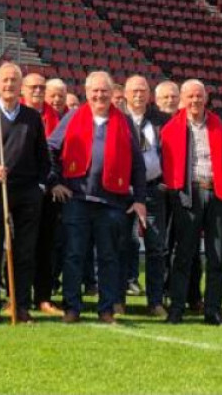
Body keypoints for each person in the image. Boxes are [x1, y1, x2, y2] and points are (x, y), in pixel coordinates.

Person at [48, 72, 147, 324]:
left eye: (104, 91)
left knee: (109, 257)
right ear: (86, 92)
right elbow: (50, 148)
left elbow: (137, 164)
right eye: (95, 91)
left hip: (112, 202)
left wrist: (140, 199)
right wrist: (55, 182)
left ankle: (106, 309)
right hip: (77, 199)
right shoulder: (73, 116)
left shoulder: (124, 122)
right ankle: (72, 307)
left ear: (111, 92)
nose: (100, 96)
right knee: (74, 255)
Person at [159, 79, 222, 325]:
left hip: (217, 194)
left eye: (199, 96)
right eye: (190, 96)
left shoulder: (220, 125)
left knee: (216, 256)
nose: (195, 101)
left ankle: (213, 309)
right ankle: (177, 308)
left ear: (206, 98)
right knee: (183, 255)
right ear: (183, 99)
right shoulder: (172, 128)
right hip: (188, 195)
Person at [0, 62, 48, 323]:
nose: (9, 85)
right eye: (5, 80)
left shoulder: (32, 117)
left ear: (21, 86)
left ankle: (20, 305)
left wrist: (39, 186)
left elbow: (44, 158)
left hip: (27, 193)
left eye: (13, 81)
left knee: (24, 252)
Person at [122, 75, 168, 317]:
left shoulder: (161, 120)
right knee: (120, 245)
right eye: (134, 91)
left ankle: (155, 301)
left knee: (156, 247)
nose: (139, 95)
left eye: (143, 91)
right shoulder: (116, 118)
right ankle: (117, 299)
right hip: (121, 192)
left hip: (152, 191)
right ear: (126, 94)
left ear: (150, 96)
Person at [24, 72, 68, 316]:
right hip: (21, 190)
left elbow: (58, 157)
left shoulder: (57, 119)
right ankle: (18, 297)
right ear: (24, 90)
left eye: (42, 88)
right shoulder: (14, 114)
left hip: (49, 193)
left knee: (46, 246)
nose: (38, 92)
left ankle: (43, 296)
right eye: (34, 88)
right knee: (20, 246)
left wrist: (53, 183)